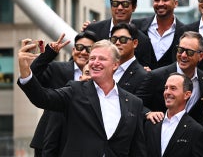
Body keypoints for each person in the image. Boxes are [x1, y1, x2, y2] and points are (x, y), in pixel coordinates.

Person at [17, 39, 147, 157]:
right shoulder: (75, 91)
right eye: (92, 58)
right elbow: (43, 98)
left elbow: (138, 149)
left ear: (115, 65)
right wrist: (25, 72)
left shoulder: (133, 103)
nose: (95, 63)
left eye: (101, 59)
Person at [29, 31, 97, 157]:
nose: (83, 52)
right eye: (79, 47)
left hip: (83, 142)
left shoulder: (100, 74)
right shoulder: (57, 69)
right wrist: (49, 54)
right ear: (73, 50)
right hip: (49, 138)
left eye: (89, 49)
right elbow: (31, 78)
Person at [136, 31, 203, 129]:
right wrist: (148, 113)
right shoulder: (156, 76)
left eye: (189, 52)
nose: (183, 55)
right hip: (160, 134)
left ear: (201, 56)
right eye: (180, 50)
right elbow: (136, 104)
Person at [84, 0, 152, 67]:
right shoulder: (93, 30)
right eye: (115, 4)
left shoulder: (143, 40)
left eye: (125, 4)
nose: (119, 8)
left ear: (134, 7)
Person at [144, 72, 203, 157]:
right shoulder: (151, 123)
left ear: (187, 95)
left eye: (173, 88)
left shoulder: (196, 131)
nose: (167, 92)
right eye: (166, 88)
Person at [133, 0, 185, 70]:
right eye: (157, 0)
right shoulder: (137, 26)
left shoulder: (185, 32)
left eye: (165, 0)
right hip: (141, 82)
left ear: (175, 3)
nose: (160, 4)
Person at [110, 22, 147, 94]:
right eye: (114, 39)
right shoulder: (103, 68)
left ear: (135, 43)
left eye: (123, 39)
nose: (117, 43)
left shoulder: (143, 76)